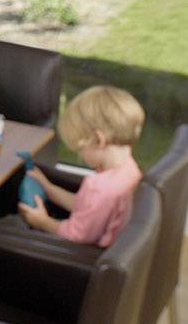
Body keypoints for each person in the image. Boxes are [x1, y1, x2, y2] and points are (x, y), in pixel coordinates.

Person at [18, 84, 145, 246]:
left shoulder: (99, 187)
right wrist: (48, 188)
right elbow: (84, 207)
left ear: (99, 140)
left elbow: (76, 235)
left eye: (80, 148)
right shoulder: (129, 169)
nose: (79, 155)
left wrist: (42, 222)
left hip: (84, 258)